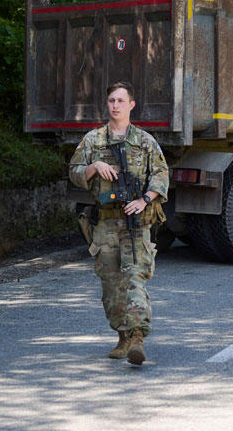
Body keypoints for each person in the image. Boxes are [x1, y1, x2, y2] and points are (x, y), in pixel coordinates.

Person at [68, 81, 169, 365]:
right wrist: (93, 167)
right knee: (111, 285)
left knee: (135, 277)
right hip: (106, 223)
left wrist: (145, 200)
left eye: (121, 101)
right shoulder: (93, 140)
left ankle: (137, 337)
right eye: (111, 100)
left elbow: (161, 175)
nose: (115, 106)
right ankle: (123, 337)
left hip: (136, 221)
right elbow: (74, 172)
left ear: (131, 105)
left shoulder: (145, 141)